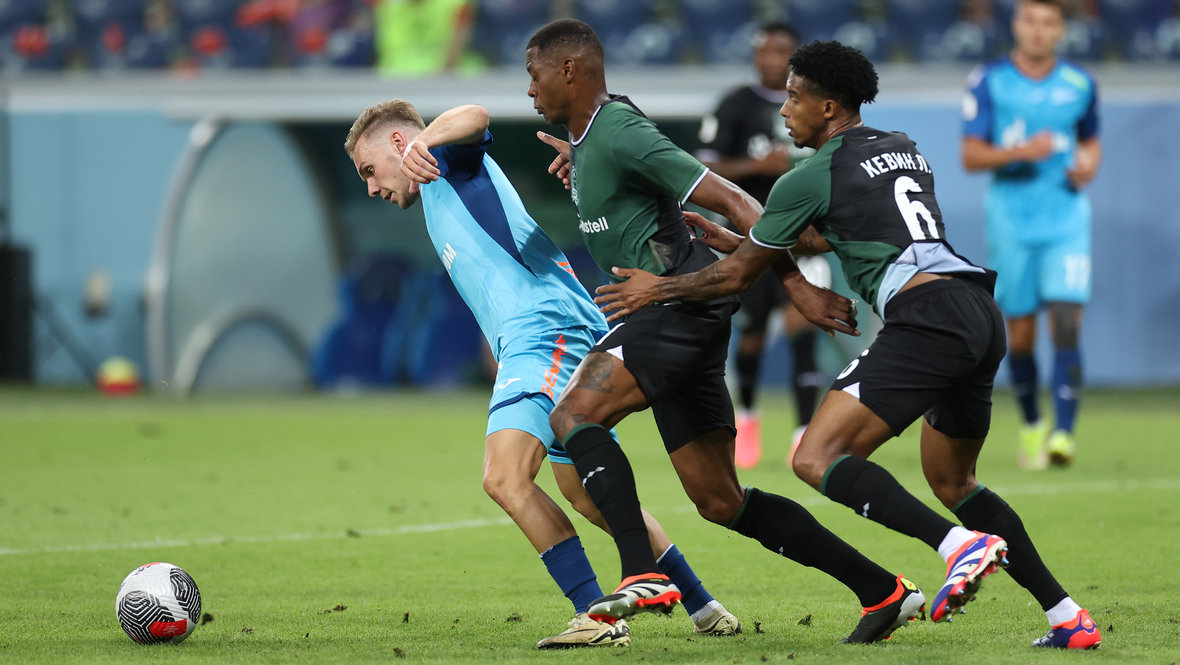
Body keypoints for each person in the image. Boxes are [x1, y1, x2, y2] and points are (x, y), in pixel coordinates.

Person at [595, 39, 1101, 650]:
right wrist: (743, 240)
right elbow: (835, 231)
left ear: (829, 106)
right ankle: (1067, 617)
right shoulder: (900, 146)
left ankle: (956, 545)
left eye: (794, 97)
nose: (784, 110)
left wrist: (658, 289)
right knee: (954, 481)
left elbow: (734, 279)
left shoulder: (808, 175)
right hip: (975, 308)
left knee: (816, 455)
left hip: (928, 318)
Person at [526, 19, 925, 645]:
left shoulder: (621, 131)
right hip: (680, 315)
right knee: (719, 500)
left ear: (569, 70)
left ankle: (640, 573)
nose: (530, 89)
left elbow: (738, 202)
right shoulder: (595, 136)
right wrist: (582, 162)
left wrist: (797, 287)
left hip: (672, 305)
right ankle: (883, 590)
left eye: (535, 74)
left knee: (574, 414)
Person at [343, 100, 741, 648]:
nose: (371, 188)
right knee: (586, 494)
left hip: (545, 330)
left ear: (398, 143)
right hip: (542, 335)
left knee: (504, 477)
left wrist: (425, 141)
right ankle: (703, 606)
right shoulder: (435, 190)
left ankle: (595, 619)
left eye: (369, 171)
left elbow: (475, 115)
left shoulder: (445, 161)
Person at [961, 0, 1101, 470]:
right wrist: (1020, 152)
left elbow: (1090, 139)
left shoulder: (1080, 84)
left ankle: (1064, 434)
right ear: (1016, 25)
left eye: (1048, 23)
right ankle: (1032, 422)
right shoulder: (989, 80)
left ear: (1061, 30)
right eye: (1030, 21)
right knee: (1019, 336)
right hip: (1012, 221)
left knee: (1066, 319)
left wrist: (1089, 164)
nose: (1039, 31)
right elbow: (971, 155)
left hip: (1066, 218)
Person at [696, 21, 829, 470]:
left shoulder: (815, 104)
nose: (772, 61)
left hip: (804, 239)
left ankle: (803, 433)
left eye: (781, 53)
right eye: (765, 52)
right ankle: (748, 417)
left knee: (803, 333)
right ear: (755, 56)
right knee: (751, 337)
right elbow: (704, 167)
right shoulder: (735, 104)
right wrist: (758, 165)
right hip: (750, 238)